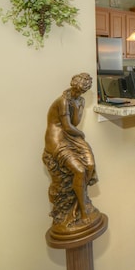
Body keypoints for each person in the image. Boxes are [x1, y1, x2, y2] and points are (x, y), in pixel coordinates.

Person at [43, 72, 101, 235]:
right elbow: (68, 127)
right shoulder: (62, 100)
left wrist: (78, 106)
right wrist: (82, 136)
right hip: (58, 140)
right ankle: (82, 210)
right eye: (78, 88)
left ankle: (78, 202)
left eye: (83, 90)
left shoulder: (79, 100)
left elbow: (74, 122)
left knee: (89, 165)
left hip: (72, 136)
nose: (79, 92)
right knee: (79, 170)